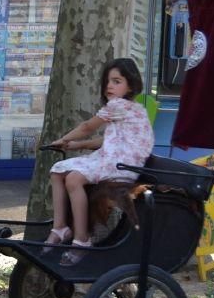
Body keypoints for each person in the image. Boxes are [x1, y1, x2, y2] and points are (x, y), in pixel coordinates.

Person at [45, 58, 154, 266]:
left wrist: (64, 139)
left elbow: (87, 126)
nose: (109, 86)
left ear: (130, 85)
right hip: (116, 159)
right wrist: (77, 145)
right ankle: (60, 228)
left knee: (73, 179)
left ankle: (82, 239)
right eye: (107, 82)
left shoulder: (119, 106)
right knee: (58, 172)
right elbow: (109, 139)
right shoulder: (131, 108)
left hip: (121, 164)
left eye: (116, 81)